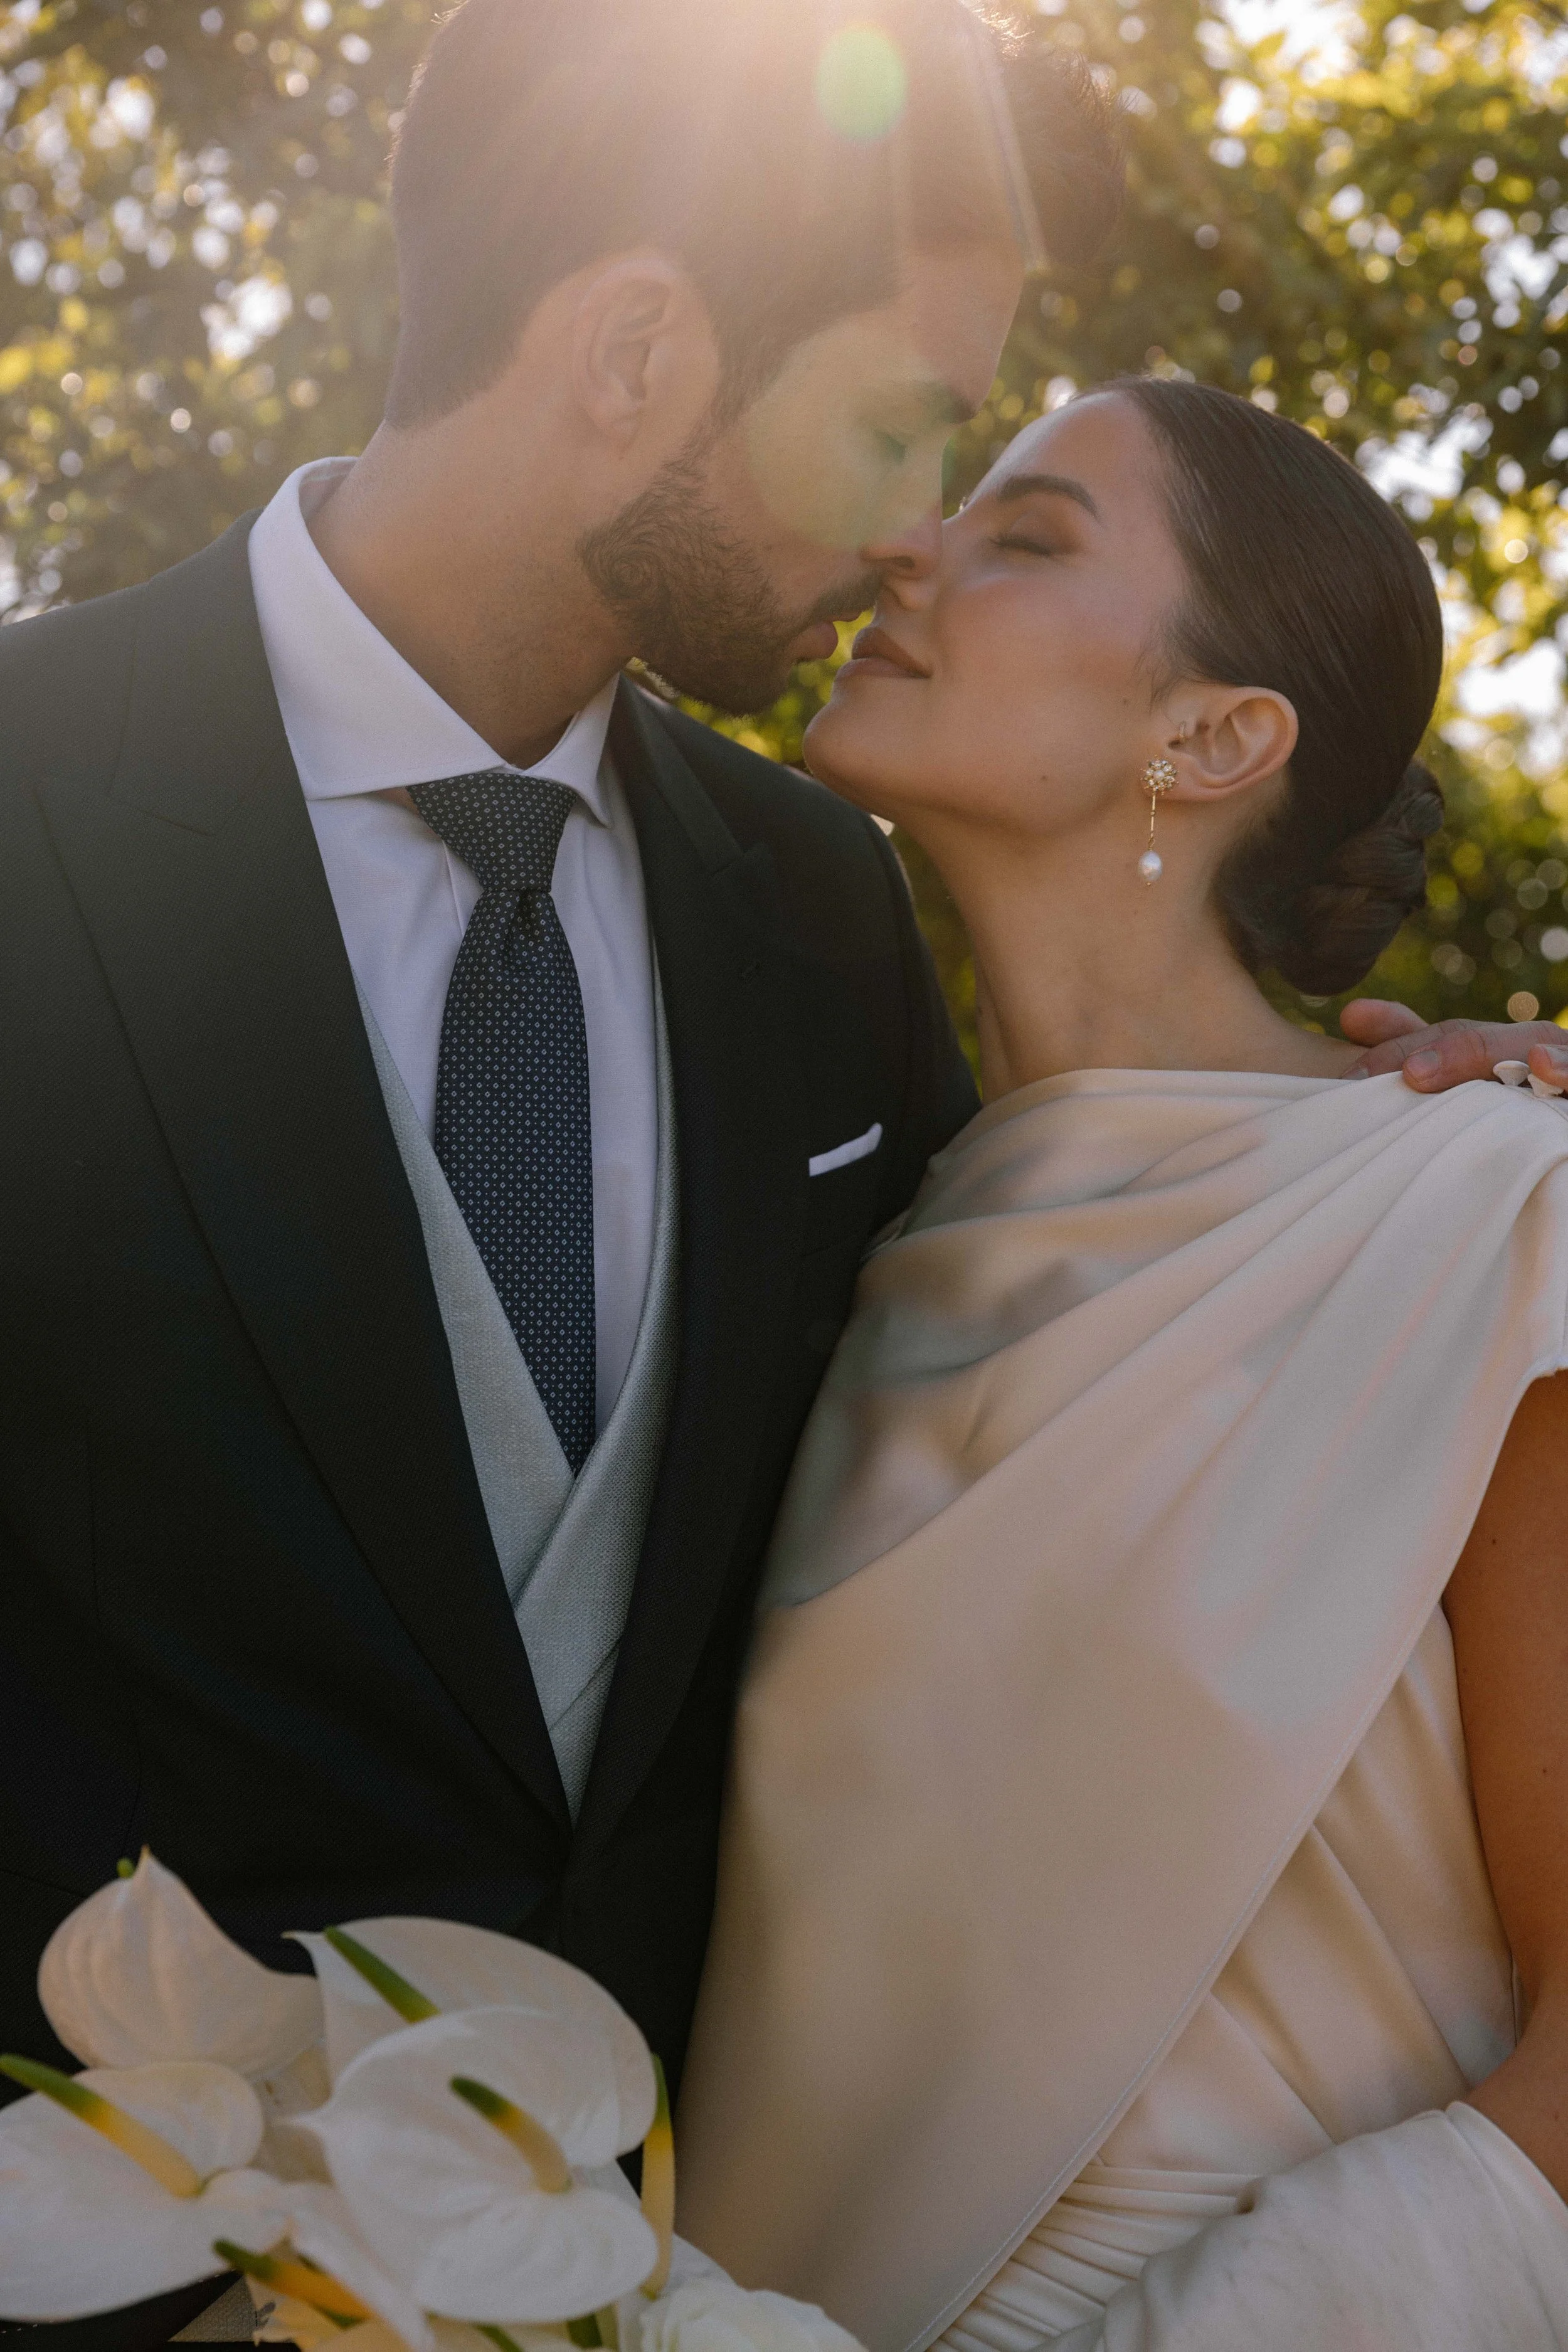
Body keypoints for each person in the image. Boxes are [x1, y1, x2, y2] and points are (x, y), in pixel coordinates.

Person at [0, 8, 1121, 2337]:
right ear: (631, 353)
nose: (923, 528)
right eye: (904, 421)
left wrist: (1402, 1129)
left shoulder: (820, 902)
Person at [675, 379, 1568, 2350]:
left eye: (1032, 534)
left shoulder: (1494, 1216)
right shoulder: (843, 1258)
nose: (913, 549)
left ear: (1214, 734)